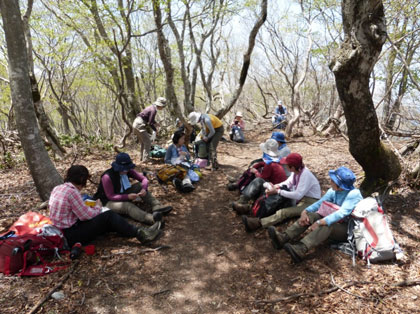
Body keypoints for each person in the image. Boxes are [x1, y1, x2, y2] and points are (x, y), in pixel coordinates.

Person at [49, 165, 162, 247]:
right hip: (70, 235)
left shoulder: (58, 188)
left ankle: (129, 230)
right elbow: (85, 216)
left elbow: (74, 211)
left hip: (60, 231)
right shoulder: (72, 192)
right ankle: (140, 234)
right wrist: (97, 207)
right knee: (108, 215)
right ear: (82, 180)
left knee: (107, 219)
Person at [267, 166, 363, 263]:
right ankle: (284, 237)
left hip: (346, 229)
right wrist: (305, 212)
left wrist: (320, 222)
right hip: (334, 220)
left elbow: (341, 213)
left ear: (340, 186)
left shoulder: (353, 194)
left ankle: (301, 249)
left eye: (333, 180)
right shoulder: (333, 190)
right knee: (311, 216)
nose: (331, 181)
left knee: (327, 225)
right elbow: (320, 203)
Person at [242, 153, 321, 232]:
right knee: (276, 200)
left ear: (292, 167)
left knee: (284, 212)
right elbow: (288, 182)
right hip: (301, 199)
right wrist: (276, 186)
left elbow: (298, 195)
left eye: (286, 165)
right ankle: (251, 208)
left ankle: (258, 223)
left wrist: (278, 191)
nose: (285, 166)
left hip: (310, 202)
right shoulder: (297, 171)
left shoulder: (305, 175)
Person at [94, 153, 172, 225]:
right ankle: (151, 219)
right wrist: (127, 196)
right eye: (125, 169)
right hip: (106, 202)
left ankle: (157, 206)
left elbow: (144, 179)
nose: (127, 170)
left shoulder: (127, 171)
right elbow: (110, 196)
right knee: (128, 206)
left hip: (121, 194)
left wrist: (144, 189)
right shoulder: (107, 177)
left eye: (128, 168)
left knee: (139, 185)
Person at [232, 139, 287, 215]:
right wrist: (258, 165)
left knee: (258, 180)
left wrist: (255, 171)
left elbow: (262, 177)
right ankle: (245, 199)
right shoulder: (275, 161)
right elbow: (263, 164)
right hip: (275, 187)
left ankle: (243, 200)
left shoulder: (270, 165)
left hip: (274, 190)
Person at [133, 97, 167, 162]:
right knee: (148, 142)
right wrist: (155, 130)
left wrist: (156, 123)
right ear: (160, 105)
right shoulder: (153, 110)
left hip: (136, 123)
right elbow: (150, 123)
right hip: (140, 125)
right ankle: (146, 159)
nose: (163, 108)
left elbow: (149, 119)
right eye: (163, 106)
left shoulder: (152, 108)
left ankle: (142, 158)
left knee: (144, 142)